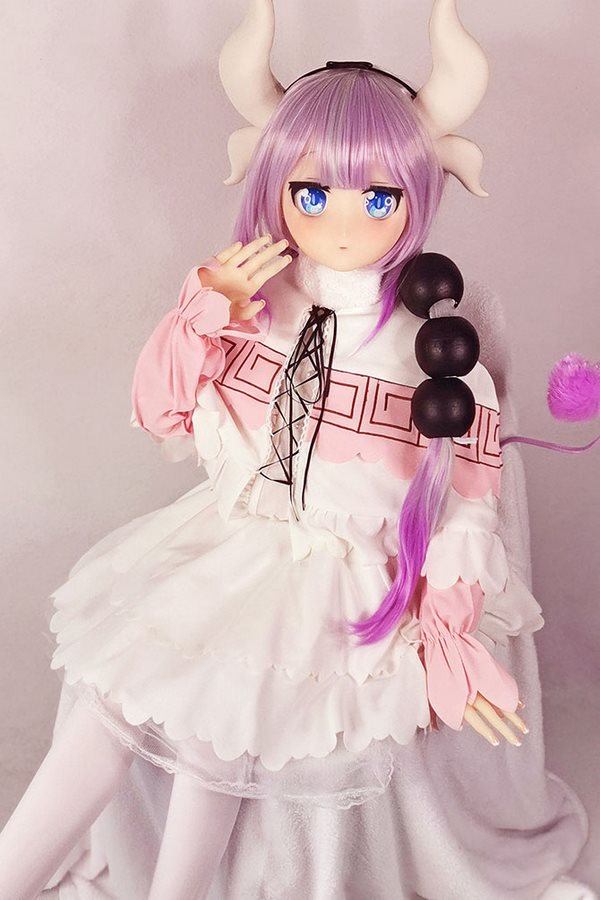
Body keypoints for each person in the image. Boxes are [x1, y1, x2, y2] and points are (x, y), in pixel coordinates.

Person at [0, 1, 594, 897]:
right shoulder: (251, 300)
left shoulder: (436, 351)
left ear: (419, 194)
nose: (344, 225)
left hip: (337, 576)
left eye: (379, 198)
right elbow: (160, 413)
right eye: (312, 195)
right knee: (109, 702)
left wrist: (447, 634)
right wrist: (200, 311)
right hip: (233, 543)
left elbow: (470, 503)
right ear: (274, 184)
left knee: (215, 736)